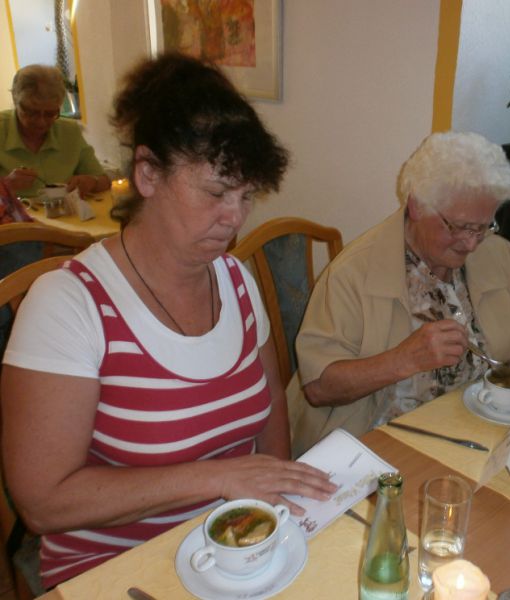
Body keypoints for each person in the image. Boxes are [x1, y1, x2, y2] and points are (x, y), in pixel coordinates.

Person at [1, 53, 336, 589]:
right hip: (115, 572)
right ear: (148, 174)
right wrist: (219, 477)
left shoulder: (237, 280)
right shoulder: (68, 305)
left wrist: (279, 517)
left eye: (246, 195)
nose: (234, 217)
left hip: (233, 557)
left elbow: (271, 406)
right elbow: (43, 504)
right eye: (216, 193)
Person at [293, 131, 510, 454]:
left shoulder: (497, 254)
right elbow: (318, 387)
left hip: (479, 430)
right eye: (459, 227)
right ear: (417, 205)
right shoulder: (353, 274)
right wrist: (403, 360)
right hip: (380, 445)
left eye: (483, 227)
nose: (471, 243)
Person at [0, 64, 110, 198]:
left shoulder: (69, 131)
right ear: (15, 100)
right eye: (31, 113)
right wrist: (6, 184)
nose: (41, 122)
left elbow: (104, 180)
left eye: (50, 114)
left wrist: (92, 182)